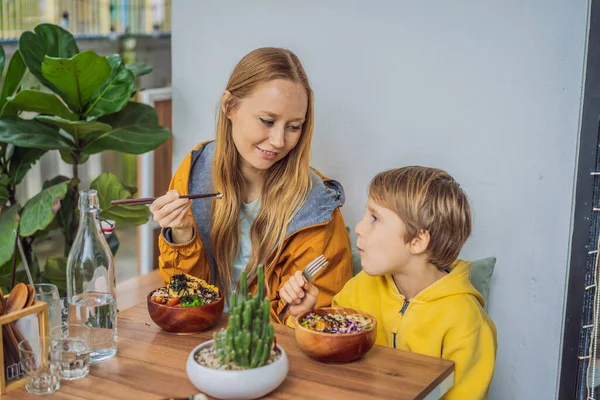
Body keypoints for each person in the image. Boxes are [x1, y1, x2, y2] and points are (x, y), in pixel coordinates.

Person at [150, 47, 352, 322]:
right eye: (267, 121)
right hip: (199, 338)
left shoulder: (316, 209)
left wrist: (301, 312)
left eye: (294, 127)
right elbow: (184, 298)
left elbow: (320, 322)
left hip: (268, 350)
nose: (279, 141)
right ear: (230, 106)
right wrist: (182, 235)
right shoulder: (194, 171)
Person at [280, 166, 497, 399]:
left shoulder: (467, 323)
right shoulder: (361, 286)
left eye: (375, 218)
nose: (360, 228)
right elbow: (327, 359)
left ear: (417, 241)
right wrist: (303, 316)